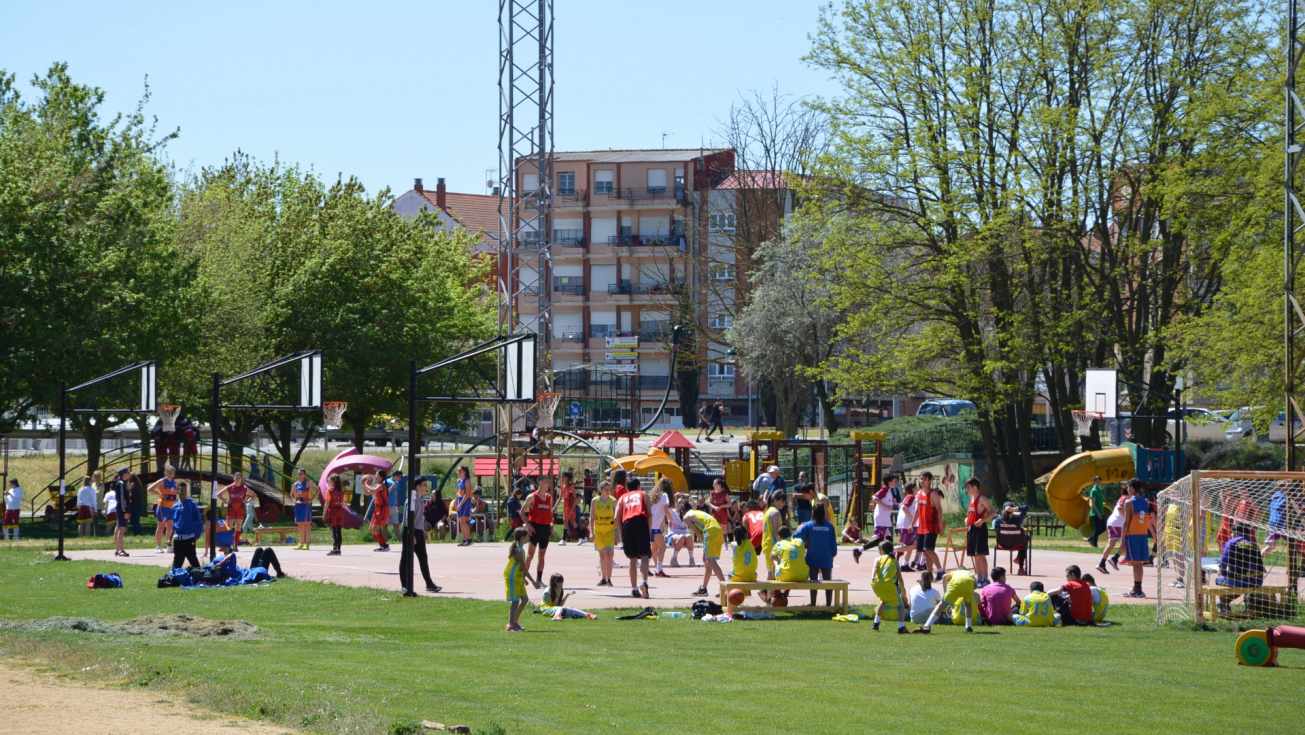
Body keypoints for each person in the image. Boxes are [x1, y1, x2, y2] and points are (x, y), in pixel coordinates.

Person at [402, 478, 441, 594]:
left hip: (418, 531)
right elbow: (408, 519)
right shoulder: (412, 500)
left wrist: (422, 531)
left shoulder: (420, 499)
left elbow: (419, 517)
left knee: (423, 558)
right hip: (410, 531)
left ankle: (429, 584)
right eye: (424, 485)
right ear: (417, 487)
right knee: (405, 559)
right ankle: (405, 586)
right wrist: (412, 534)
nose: (426, 488)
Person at [1217, 522, 1266, 615]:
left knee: (1219, 580)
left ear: (1235, 532)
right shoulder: (1254, 545)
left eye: (1232, 532)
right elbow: (1261, 567)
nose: (1231, 534)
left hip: (1239, 581)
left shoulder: (1231, 543)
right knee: (1244, 582)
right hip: (1256, 581)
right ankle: (1250, 607)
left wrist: (1223, 573)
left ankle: (1224, 606)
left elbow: (1223, 563)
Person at [795, 503, 838, 606]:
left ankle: (813, 604)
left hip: (812, 557)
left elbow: (796, 536)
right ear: (824, 513)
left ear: (812, 512)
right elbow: (833, 543)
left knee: (813, 581)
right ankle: (828, 605)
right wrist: (832, 554)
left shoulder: (808, 525)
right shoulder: (830, 526)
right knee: (828, 581)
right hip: (826, 558)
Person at [617, 477, 652, 598]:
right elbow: (649, 514)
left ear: (627, 488)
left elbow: (616, 517)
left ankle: (634, 588)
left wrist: (621, 534)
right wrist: (649, 530)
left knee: (632, 558)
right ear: (638, 486)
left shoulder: (622, 497)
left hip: (627, 524)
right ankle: (644, 582)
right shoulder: (643, 494)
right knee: (645, 555)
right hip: (641, 521)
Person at [1119, 479, 1154, 598]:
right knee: (1139, 564)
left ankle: (1137, 590)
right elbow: (1148, 519)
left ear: (1133, 489)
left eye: (1128, 487)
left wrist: (1122, 539)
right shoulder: (1146, 502)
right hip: (1143, 536)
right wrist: (1154, 535)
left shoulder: (1129, 502)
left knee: (1135, 564)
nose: (1127, 489)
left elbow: (1126, 523)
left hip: (1132, 536)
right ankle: (1138, 589)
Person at [683, 504, 726, 596]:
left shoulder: (686, 516)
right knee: (707, 561)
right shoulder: (697, 512)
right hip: (717, 530)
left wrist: (702, 540)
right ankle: (704, 588)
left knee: (710, 560)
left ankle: (725, 588)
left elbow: (697, 532)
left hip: (710, 531)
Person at [521, 475, 555, 584]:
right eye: (546, 482)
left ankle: (539, 579)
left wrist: (551, 524)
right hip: (535, 527)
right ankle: (522, 577)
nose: (548, 485)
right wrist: (528, 525)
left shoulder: (549, 497)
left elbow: (550, 513)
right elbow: (522, 512)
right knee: (530, 555)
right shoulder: (532, 497)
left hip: (545, 528)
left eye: (548, 482)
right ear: (540, 483)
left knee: (542, 556)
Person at [504, 526, 540, 632]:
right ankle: (511, 625)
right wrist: (533, 581)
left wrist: (523, 578)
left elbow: (521, 568)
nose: (529, 537)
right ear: (522, 538)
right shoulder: (518, 551)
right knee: (515, 602)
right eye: (527, 536)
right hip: (512, 577)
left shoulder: (521, 549)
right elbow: (524, 568)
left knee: (524, 600)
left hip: (518, 576)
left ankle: (514, 622)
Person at [871, 539, 909, 633]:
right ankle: (901, 627)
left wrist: (873, 579)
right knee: (900, 606)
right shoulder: (894, 560)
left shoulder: (877, 559)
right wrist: (903, 593)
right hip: (888, 584)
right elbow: (900, 579)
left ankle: (876, 623)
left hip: (875, 584)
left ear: (882, 550)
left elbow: (874, 572)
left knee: (883, 601)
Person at [922, 568, 976, 633]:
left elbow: (944, 576)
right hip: (968, 583)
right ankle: (968, 626)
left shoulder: (954, 572)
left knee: (941, 605)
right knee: (968, 605)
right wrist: (969, 590)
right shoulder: (969, 573)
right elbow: (975, 583)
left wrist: (945, 591)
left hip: (955, 584)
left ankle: (927, 626)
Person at [963, 477, 993, 585]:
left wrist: (983, 520)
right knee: (975, 555)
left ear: (975, 487)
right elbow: (970, 513)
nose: (967, 490)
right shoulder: (971, 499)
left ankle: (985, 578)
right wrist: (967, 519)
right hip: (971, 529)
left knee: (981, 554)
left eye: (968, 487)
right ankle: (979, 577)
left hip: (980, 530)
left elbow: (993, 512)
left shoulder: (982, 499)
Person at [915, 472, 945, 580]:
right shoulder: (919, 493)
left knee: (928, 549)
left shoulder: (933, 494)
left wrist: (940, 525)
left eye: (924, 479)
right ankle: (929, 574)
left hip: (931, 526)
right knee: (925, 551)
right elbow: (917, 510)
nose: (922, 481)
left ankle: (940, 570)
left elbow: (939, 510)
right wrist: (912, 523)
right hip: (921, 527)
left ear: (929, 481)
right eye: (921, 479)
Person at [148, 464, 180, 552]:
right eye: (169, 472)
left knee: (170, 526)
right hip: (162, 507)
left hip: (172, 507)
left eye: (172, 472)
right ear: (165, 473)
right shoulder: (162, 481)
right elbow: (150, 489)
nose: (171, 474)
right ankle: (158, 546)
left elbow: (176, 492)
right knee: (161, 526)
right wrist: (160, 494)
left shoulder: (174, 482)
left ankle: (168, 545)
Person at [170, 488, 204, 570]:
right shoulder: (175, 506)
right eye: (180, 490)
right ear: (177, 491)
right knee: (177, 562)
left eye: (184, 491)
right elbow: (174, 523)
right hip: (178, 539)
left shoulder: (191, 505)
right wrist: (170, 538)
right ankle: (174, 576)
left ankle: (198, 575)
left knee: (194, 561)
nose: (182, 493)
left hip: (189, 538)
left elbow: (198, 521)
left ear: (186, 492)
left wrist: (197, 535)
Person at [590, 480, 616, 586]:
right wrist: (591, 532)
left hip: (610, 531)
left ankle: (609, 579)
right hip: (599, 531)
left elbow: (616, 518)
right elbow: (592, 517)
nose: (608, 491)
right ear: (600, 490)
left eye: (609, 489)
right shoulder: (595, 501)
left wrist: (617, 533)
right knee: (603, 554)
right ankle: (603, 578)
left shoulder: (613, 501)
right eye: (606, 489)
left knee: (610, 555)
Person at [216, 471, 250, 550]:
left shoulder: (244, 488)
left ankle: (235, 545)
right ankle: (227, 545)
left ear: (241, 479)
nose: (237, 479)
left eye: (239, 478)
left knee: (238, 527)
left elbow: (253, 495)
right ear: (233, 478)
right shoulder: (230, 487)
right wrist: (225, 500)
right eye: (236, 478)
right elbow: (218, 494)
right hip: (231, 509)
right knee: (229, 527)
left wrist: (246, 500)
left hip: (240, 509)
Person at [1097, 493, 1127, 573]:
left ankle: (1103, 563)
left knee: (1113, 544)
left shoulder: (1124, 497)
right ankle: (1113, 559)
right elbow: (1120, 508)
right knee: (1125, 543)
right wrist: (1127, 518)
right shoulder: (1125, 497)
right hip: (1117, 523)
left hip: (1115, 523)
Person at [761, 491, 787, 580]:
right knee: (774, 572)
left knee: (771, 572)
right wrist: (781, 545)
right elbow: (777, 532)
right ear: (776, 500)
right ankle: (767, 588)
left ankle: (767, 588)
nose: (784, 503)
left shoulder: (768, 511)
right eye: (783, 501)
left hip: (767, 544)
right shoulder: (775, 512)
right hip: (773, 545)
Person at [649, 478, 672, 577]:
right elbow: (666, 509)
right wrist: (670, 520)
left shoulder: (653, 495)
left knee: (653, 549)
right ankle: (659, 569)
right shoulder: (664, 495)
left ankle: (645, 567)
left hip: (650, 526)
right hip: (655, 527)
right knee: (662, 547)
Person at [363, 470, 391, 551]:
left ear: (381, 477)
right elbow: (368, 493)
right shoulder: (378, 485)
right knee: (372, 529)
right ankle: (384, 545)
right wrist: (363, 485)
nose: (375, 476)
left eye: (377, 475)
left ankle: (384, 546)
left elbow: (373, 489)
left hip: (382, 509)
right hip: (378, 509)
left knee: (375, 528)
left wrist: (366, 483)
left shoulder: (381, 486)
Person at [895, 482, 921, 569]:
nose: (918, 489)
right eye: (916, 487)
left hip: (909, 524)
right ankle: (892, 551)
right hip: (907, 524)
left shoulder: (912, 497)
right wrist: (913, 518)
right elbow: (904, 507)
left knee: (913, 544)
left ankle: (905, 564)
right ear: (913, 489)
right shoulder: (910, 496)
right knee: (909, 545)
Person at [103, 471, 128, 557]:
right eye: (127, 473)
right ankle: (120, 550)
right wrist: (125, 510)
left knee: (117, 528)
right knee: (121, 529)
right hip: (121, 509)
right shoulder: (121, 484)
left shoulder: (118, 485)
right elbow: (122, 499)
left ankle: (117, 549)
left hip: (116, 509)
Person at [291, 469, 315, 550]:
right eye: (299, 474)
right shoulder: (295, 484)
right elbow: (292, 494)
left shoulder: (308, 483)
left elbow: (316, 491)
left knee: (307, 524)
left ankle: (306, 543)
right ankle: (301, 542)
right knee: (300, 524)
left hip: (306, 505)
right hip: (298, 505)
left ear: (305, 475)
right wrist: (294, 500)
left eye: (301, 474)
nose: (300, 475)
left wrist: (311, 498)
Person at [667, 500, 696, 567]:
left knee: (689, 536)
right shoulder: (671, 511)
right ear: (675, 503)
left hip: (685, 534)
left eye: (682, 503)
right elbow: (665, 507)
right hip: (673, 534)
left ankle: (691, 559)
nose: (681, 504)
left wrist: (691, 500)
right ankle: (674, 559)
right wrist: (675, 497)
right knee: (681, 537)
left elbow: (694, 507)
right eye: (679, 502)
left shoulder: (686, 513)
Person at [325, 474, 346, 556]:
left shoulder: (330, 491)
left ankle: (335, 548)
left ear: (333, 481)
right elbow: (343, 503)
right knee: (339, 530)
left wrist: (324, 513)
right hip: (340, 511)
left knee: (334, 530)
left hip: (333, 511)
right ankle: (339, 549)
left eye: (329, 481)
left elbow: (327, 503)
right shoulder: (341, 490)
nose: (328, 482)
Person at [872, 475, 898, 543]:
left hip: (885, 518)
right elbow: (875, 498)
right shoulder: (885, 489)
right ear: (889, 482)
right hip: (881, 518)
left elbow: (888, 502)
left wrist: (896, 504)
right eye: (894, 481)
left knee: (888, 540)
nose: (895, 483)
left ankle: (890, 551)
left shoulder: (889, 490)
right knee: (879, 539)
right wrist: (886, 506)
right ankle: (861, 548)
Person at [454, 468, 474, 547]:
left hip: (465, 502)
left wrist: (460, 504)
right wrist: (456, 502)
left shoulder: (467, 481)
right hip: (460, 501)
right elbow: (458, 493)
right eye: (458, 471)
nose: (458, 472)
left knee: (464, 520)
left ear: (464, 472)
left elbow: (467, 494)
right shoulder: (459, 481)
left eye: (460, 471)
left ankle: (468, 539)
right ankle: (465, 539)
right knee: (461, 521)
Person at [559, 470, 580, 545]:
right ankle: (582, 537)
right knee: (568, 522)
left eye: (564, 476)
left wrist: (572, 510)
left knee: (571, 522)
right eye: (562, 476)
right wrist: (554, 507)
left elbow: (575, 499)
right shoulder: (563, 487)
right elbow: (560, 497)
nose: (562, 478)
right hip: (565, 507)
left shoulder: (571, 487)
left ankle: (564, 539)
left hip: (571, 507)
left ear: (568, 478)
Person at [1086, 476, 1107, 547]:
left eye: (1100, 480)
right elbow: (1092, 504)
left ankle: (1091, 538)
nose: (1099, 482)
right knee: (1098, 528)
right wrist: (1098, 513)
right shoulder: (1094, 490)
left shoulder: (1099, 490)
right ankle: (1094, 544)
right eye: (1097, 480)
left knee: (1103, 527)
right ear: (1094, 481)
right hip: (1095, 513)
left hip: (1101, 512)